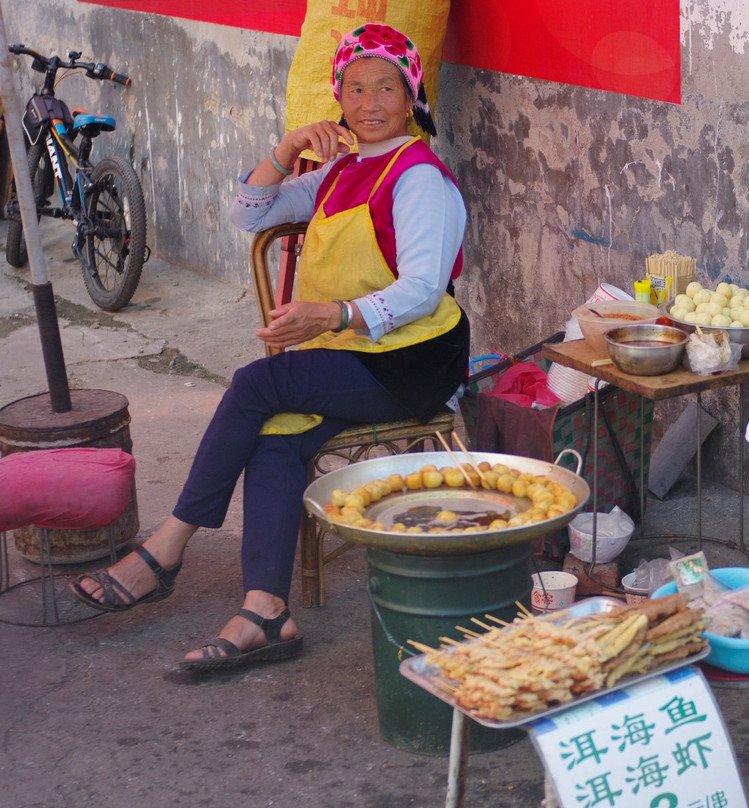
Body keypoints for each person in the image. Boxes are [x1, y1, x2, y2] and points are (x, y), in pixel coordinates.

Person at [71, 23, 469, 671]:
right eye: (355, 88)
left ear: (411, 96)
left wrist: (331, 314)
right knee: (275, 434)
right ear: (338, 97)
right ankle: (266, 611)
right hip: (350, 357)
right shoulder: (342, 170)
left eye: (386, 88)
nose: (369, 103)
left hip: (414, 362)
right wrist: (285, 151)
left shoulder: (419, 178)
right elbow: (248, 213)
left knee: (258, 385)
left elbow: (424, 290)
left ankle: (167, 547)